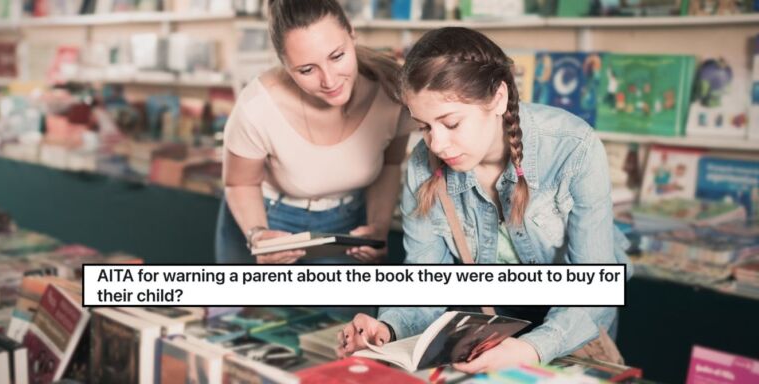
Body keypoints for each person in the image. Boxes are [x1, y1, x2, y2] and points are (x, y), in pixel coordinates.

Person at [336, 27, 633, 372]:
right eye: (425, 127)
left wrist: (531, 350)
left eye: (451, 123)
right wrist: (386, 328)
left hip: (570, 329)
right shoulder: (422, 165)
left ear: (498, 98)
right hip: (490, 332)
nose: (437, 145)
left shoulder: (573, 147)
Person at [217, 0, 412, 264]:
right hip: (268, 219)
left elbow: (391, 163)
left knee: (345, 307)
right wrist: (258, 234)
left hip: (348, 224)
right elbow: (240, 182)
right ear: (285, 65)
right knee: (242, 306)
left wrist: (377, 226)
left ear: (351, 33)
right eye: (307, 70)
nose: (329, 81)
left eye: (337, 56)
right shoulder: (257, 106)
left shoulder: (392, 94)